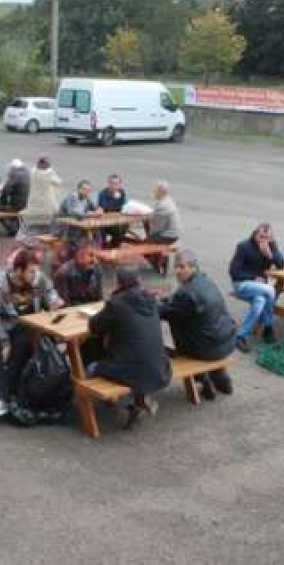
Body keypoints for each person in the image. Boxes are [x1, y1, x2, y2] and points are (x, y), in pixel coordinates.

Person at [87, 267, 172, 428]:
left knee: (90, 368)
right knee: (133, 353)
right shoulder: (150, 299)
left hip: (131, 370)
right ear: (138, 281)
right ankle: (140, 400)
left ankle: (86, 411)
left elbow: (94, 327)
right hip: (160, 366)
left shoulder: (116, 304)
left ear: (118, 283)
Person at [0, 249, 63, 419]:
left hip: (29, 325)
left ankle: (18, 391)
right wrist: (4, 341)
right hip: (7, 326)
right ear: (18, 271)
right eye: (31, 271)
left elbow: (50, 291)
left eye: (36, 271)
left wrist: (54, 300)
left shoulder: (38, 278)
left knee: (28, 344)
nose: (35, 275)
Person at [160, 250, 236, 400]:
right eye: (176, 266)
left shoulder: (186, 293)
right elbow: (179, 304)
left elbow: (168, 312)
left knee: (171, 334)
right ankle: (220, 376)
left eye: (182, 267)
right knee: (200, 325)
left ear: (193, 267)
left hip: (208, 349)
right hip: (227, 341)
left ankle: (201, 379)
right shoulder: (207, 281)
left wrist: (149, 304)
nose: (177, 271)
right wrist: (166, 300)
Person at [228, 222, 284, 353]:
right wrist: (253, 277)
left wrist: (270, 255)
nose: (264, 240)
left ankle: (241, 336)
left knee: (260, 301)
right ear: (255, 234)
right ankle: (268, 328)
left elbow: (282, 264)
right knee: (271, 290)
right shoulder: (244, 247)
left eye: (267, 238)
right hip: (242, 284)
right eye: (261, 237)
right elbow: (233, 271)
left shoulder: (271, 246)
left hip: (260, 288)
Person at [20, 156, 63, 238]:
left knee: (32, 230)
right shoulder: (49, 175)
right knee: (49, 228)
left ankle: (29, 241)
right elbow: (59, 182)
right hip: (48, 208)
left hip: (34, 208)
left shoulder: (33, 173)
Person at [0, 158, 31, 236]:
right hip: (26, 203)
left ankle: (12, 229)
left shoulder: (15, 175)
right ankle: (18, 228)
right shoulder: (27, 173)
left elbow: (6, 189)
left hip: (17, 204)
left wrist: (2, 202)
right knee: (14, 213)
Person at [97, 174, 128, 247]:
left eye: (116, 184)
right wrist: (113, 197)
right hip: (104, 222)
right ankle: (104, 246)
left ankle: (114, 244)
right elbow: (104, 208)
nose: (114, 186)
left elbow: (123, 207)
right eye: (111, 183)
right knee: (101, 229)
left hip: (116, 221)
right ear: (108, 184)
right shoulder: (103, 193)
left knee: (125, 225)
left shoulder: (122, 192)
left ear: (120, 185)